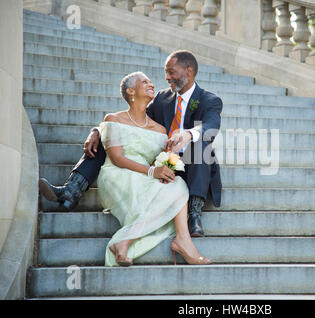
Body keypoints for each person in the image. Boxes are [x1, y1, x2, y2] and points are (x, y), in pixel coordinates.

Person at [39, 50, 223, 238]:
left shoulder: (210, 100)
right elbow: (132, 122)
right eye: (166, 72)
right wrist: (98, 129)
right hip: (158, 161)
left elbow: (211, 127)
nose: (167, 77)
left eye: (171, 72)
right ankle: (72, 189)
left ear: (189, 71)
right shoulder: (162, 99)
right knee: (112, 133)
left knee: (201, 146)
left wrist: (189, 134)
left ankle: (194, 215)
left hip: (192, 167)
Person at [96, 71, 210, 266]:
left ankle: (176, 240)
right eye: (144, 82)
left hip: (145, 173)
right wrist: (151, 172)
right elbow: (117, 158)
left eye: (151, 81)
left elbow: (157, 159)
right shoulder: (114, 119)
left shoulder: (159, 129)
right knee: (172, 192)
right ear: (131, 91)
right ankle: (176, 241)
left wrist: (168, 158)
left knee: (178, 184)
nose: (151, 84)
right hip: (118, 174)